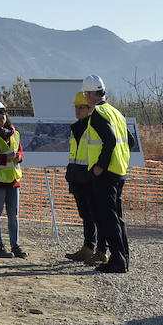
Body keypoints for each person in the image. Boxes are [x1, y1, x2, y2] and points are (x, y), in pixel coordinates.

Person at [82, 74, 131, 273]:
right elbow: (131, 141)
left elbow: (109, 140)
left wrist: (100, 165)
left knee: (109, 220)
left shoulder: (98, 114)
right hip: (119, 170)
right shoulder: (116, 113)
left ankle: (117, 262)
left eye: (85, 94)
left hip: (106, 174)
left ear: (89, 94)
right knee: (117, 218)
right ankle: (123, 258)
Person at [65, 91, 106, 264]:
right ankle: (88, 248)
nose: (78, 110)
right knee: (86, 215)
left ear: (90, 107)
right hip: (77, 176)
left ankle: (102, 251)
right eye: (76, 107)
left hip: (91, 177)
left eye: (81, 107)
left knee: (97, 215)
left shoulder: (95, 124)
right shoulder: (76, 127)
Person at [0, 99, 25, 258]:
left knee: (13, 215)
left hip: (14, 181)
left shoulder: (15, 133)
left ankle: (15, 246)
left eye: (2, 112)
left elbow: (21, 152)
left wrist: (18, 158)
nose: (0, 116)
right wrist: (6, 158)